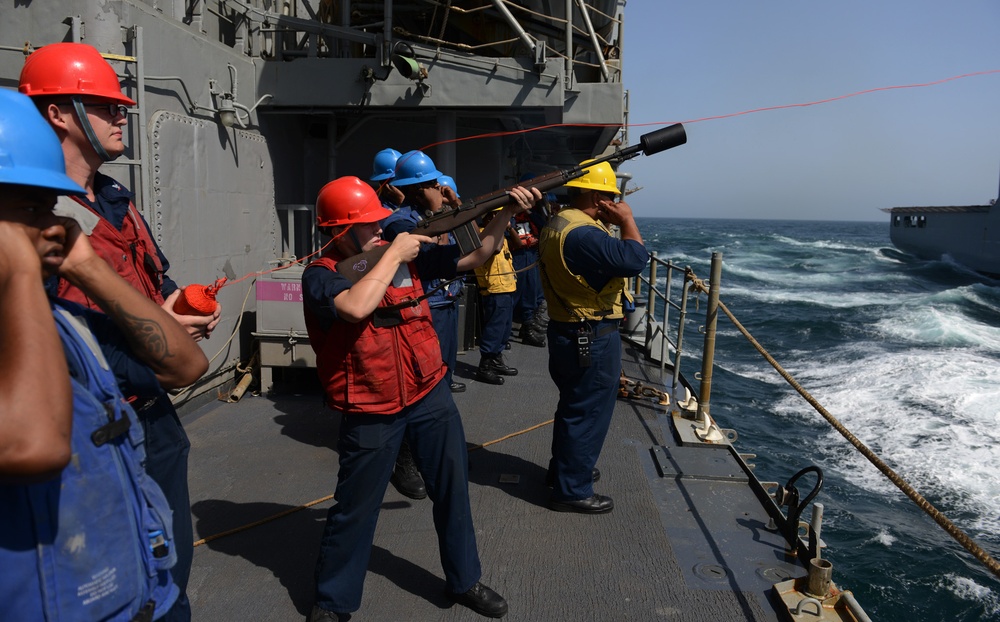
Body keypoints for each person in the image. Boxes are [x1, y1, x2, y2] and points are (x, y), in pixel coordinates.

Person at [19, 42, 219, 621]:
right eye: (106, 106)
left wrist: (172, 306)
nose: (122, 113)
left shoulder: (114, 202)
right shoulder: (41, 224)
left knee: (168, 578)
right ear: (59, 113)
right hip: (86, 429)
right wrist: (164, 342)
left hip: (154, 420)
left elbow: (153, 284)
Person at [301, 176, 539, 620]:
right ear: (339, 231)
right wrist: (393, 252)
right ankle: (334, 601)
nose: (380, 229)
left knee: (453, 489)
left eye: (381, 223)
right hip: (370, 404)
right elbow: (355, 306)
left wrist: (507, 211)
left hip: (428, 391)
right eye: (369, 225)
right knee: (356, 507)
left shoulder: (397, 257)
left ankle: (464, 580)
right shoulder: (322, 276)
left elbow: (477, 255)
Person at [538, 159, 648, 515]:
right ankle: (572, 490)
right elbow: (633, 259)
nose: (613, 202)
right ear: (596, 198)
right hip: (590, 334)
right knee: (588, 412)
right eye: (608, 196)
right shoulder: (584, 233)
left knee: (574, 407)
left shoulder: (559, 221)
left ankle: (567, 470)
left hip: (567, 329)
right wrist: (627, 220)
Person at [379, 151, 465, 500]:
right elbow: (435, 261)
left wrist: (455, 208)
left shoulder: (425, 215)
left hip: (445, 306)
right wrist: (442, 213)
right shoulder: (401, 223)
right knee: (416, 386)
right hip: (421, 309)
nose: (438, 189)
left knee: (440, 382)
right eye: (432, 185)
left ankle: (426, 452)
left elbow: (465, 254)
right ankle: (404, 459)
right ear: (417, 190)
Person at [473, 210, 520, 384]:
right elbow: (496, 248)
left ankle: (496, 359)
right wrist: (499, 225)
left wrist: (507, 228)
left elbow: (518, 244)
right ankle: (484, 366)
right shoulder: (483, 233)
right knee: (494, 329)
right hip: (494, 290)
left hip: (507, 287)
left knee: (504, 329)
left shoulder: (500, 233)